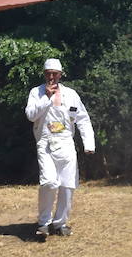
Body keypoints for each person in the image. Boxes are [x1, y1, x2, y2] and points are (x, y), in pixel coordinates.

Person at [25, 57, 95, 239]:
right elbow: (31, 115)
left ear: (60, 75)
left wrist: (89, 144)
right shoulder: (36, 93)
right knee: (49, 182)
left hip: (66, 143)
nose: (51, 77)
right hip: (46, 143)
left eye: (55, 74)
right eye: (48, 74)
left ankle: (60, 223)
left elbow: (83, 119)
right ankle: (43, 223)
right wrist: (47, 98)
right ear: (44, 74)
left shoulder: (71, 94)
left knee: (67, 185)